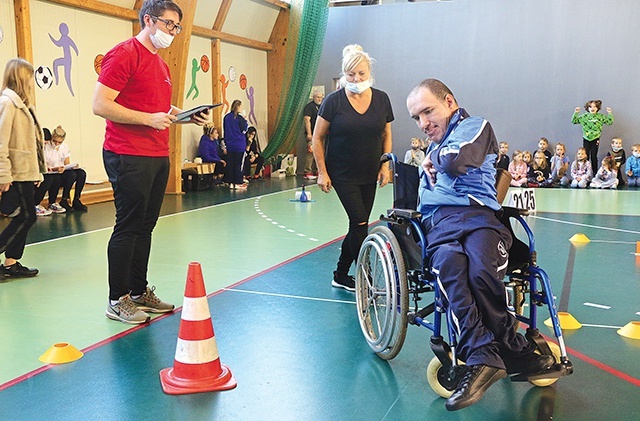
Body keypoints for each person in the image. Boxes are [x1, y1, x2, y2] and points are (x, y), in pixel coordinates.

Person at [406, 78, 554, 412]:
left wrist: (431, 158)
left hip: (480, 220)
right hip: (440, 225)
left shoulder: (475, 127)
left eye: (428, 111)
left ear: (450, 102)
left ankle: (499, 354)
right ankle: (493, 355)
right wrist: (425, 160)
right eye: (416, 118)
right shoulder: (432, 148)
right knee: (450, 270)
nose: (423, 123)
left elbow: (458, 160)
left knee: (482, 274)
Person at [92, 0, 209, 324]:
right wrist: (147, 119)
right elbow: (100, 104)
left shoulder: (159, 64)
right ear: (149, 20)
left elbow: (160, 111)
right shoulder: (124, 53)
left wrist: (183, 116)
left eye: (177, 27)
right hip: (127, 153)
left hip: (156, 155)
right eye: (170, 24)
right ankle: (117, 300)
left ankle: (139, 290)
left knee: (146, 227)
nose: (173, 31)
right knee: (128, 227)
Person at [312, 44, 393, 291]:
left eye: (361, 74)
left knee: (358, 224)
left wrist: (385, 165)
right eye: (351, 75)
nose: (356, 79)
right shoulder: (333, 102)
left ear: (369, 72)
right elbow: (317, 138)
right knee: (359, 221)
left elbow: (386, 133)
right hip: (343, 173)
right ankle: (366, 278)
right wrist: (322, 172)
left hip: (370, 171)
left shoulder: (381, 99)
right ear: (344, 75)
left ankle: (340, 274)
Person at [0, 58, 45, 279]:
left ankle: (11, 263)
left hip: (27, 171)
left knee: (27, 216)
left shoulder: (25, 105)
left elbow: (34, 142)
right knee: (27, 216)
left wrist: (37, 171)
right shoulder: (7, 103)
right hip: (15, 172)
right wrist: (3, 175)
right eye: (29, 77)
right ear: (20, 78)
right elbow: (1, 142)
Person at [46, 125, 88, 212]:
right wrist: (56, 169)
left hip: (62, 171)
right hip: (53, 172)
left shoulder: (64, 147)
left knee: (81, 173)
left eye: (59, 142)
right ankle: (64, 199)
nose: (57, 144)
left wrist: (72, 166)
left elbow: (67, 163)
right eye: (55, 141)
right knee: (71, 175)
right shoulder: (46, 146)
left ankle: (76, 199)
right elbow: (45, 165)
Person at [572, 100, 613, 172]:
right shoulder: (584, 116)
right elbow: (574, 121)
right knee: (586, 156)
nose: (592, 108)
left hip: (595, 139)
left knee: (594, 156)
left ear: (598, 108)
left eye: (594, 106)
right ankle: (585, 172)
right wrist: (576, 113)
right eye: (590, 107)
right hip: (586, 138)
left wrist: (610, 113)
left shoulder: (600, 117)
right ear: (588, 108)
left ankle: (595, 173)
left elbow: (609, 122)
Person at [33, 127, 60, 216]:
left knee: (55, 177)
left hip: (41, 173)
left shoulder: (43, 149)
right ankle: (34, 204)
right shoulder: (33, 148)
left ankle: (52, 203)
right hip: (31, 174)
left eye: (46, 142)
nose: (45, 144)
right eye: (44, 142)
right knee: (47, 179)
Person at [222, 99, 248, 189]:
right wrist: (245, 121)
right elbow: (244, 130)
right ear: (238, 107)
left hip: (230, 144)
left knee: (231, 164)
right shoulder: (240, 118)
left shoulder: (226, 117)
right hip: (239, 145)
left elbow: (225, 130)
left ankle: (231, 182)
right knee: (238, 164)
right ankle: (238, 182)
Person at [303, 89, 323, 179]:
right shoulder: (309, 107)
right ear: (314, 97)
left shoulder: (322, 106)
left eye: (321, 97)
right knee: (310, 152)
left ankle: (317, 170)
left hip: (321, 134)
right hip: (312, 133)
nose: (319, 99)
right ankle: (307, 171)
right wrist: (309, 134)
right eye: (318, 97)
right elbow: (307, 120)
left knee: (320, 152)